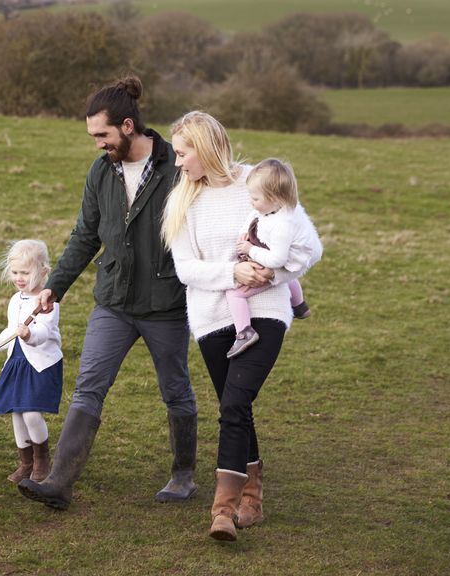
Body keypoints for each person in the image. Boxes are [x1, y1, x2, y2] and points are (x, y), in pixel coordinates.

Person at [16, 76, 198, 510]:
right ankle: (58, 483)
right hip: (113, 303)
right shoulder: (101, 171)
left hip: (167, 305)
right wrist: (55, 286)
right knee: (88, 388)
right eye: (93, 135)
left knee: (175, 390)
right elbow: (85, 235)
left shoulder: (178, 166)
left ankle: (183, 475)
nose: (97, 144)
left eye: (102, 135)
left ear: (129, 126)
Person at [161, 111, 322, 541]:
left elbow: (308, 248)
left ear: (206, 147)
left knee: (233, 405)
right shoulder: (182, 202)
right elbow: (186, 269)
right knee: (237, 407)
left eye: (182, 153)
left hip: (265, 313)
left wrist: (274, 274)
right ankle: (251, 495)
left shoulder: (258, 182)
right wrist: (233, 274)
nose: (178, 163)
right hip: (212, 321)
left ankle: (223, 511)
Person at [0, 239, 63, 485]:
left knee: (32, 413)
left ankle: (42, 459)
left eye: (25, 272)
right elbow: (11, 330)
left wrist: (30, 335)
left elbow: (45, 331)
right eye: (15, 272)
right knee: (17, 413)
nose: (19, 278)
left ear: (43, 271)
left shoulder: (48, 302)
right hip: (17, 362)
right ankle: (25, 462)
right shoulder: (16, 300)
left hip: (40, 364)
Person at [225, 158, 318, 359]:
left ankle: (245, 332)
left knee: (234, 294)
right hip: (291, 259)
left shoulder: (283, 224)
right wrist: (244, 233)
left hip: (284, 260)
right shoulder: (272, 208)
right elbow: (252, 216)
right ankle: (299, 305)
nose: (251, 201)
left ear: (275, 198)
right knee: (290, 276)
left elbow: (276, 261)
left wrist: (250, 249)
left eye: (256, 198)